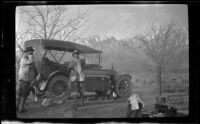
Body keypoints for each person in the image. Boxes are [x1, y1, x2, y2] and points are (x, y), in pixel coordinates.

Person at [16, 46, 37, 113]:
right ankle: (21, 109)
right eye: (31, 51)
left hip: (21, 78)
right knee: (24, 95)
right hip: (25, 79)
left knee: (20, 94)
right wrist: (30, 56)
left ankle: (17, 107)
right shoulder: (25, 58)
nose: (32, 53)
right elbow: (31, 61)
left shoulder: (23, 58)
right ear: (27, 52)